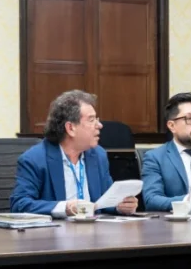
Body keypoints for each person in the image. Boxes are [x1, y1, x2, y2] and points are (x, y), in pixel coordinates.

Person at [9, 90, 138, 217]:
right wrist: (65, 208)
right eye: (91, 120)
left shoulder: (98, 155)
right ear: (70, 128)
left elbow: (105, 201)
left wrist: (120, 205)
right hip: (55, 230)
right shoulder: (34, 159)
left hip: (95, 228)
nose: (99, 125)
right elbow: (20, 204)